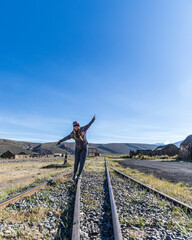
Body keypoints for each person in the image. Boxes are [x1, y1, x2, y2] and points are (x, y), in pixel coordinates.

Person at [57, 114, 96, 180]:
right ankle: (74, 174)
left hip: (84, 147)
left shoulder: (84, 129)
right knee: (76, 162)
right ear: (73, 127)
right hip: (77, 148)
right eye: (75, 126)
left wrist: (93, 119)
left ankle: (79, 174)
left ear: (79, 126)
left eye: (77, 126)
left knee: (82, 161)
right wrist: (60, 141)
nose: (76, 127)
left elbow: (89, 124)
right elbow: (66, 137)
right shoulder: (73, 134)